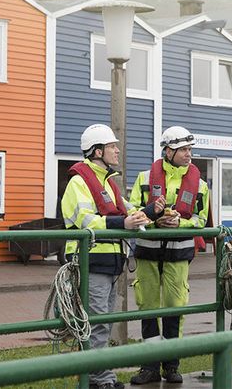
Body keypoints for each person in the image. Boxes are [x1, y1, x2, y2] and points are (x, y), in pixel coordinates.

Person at [60, 124, 151, 389]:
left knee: (103, 323)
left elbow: (127, 210)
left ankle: (100, 377)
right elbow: (87, 220)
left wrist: (151, 212)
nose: (117, 150)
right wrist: (124, 224)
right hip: (91, 262)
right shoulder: (79, 182)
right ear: (97, 151)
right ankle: (97, 379)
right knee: (97, 323)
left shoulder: (107, 183)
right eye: (112, 146)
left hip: (110, 262)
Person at [129, 126, 210, 385]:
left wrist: (180, 224)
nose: (189, 155)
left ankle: (172, 365)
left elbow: (201, 220)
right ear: (168, 151)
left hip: (179, 254)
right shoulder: (143, 179)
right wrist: (153, 218)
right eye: (184, 150)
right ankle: (149, 366)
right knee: (148, 308)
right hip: (148, 254)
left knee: (175, 308)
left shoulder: (201, 185)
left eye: (190, 149)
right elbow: (132, 213)